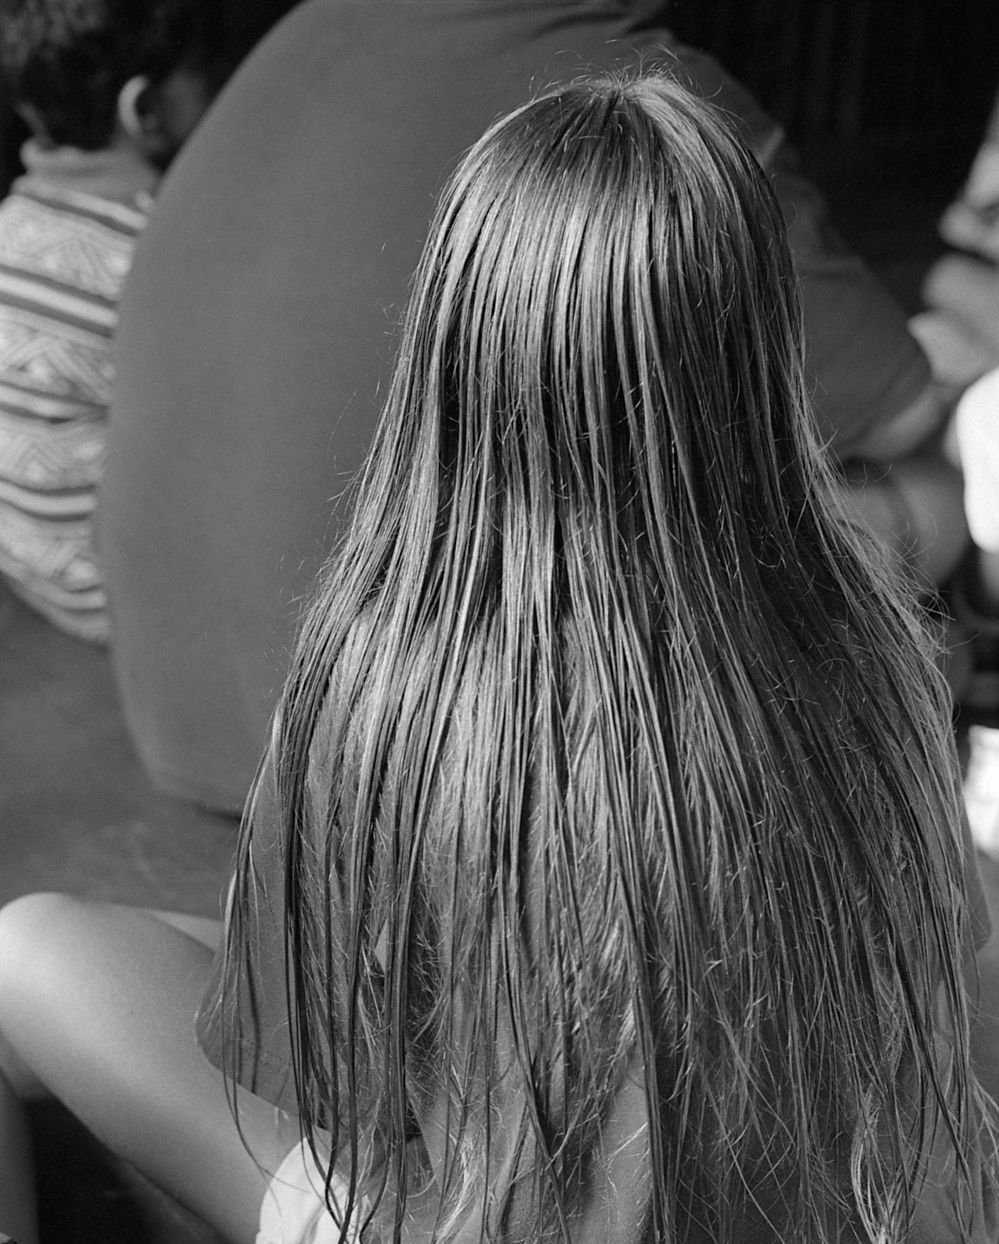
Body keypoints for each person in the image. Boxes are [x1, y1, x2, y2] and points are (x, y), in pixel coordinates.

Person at [0, 71, 995, 1244]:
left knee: (37, 952)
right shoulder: (874, 633)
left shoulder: (390, 688)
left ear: (455, 341)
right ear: (755, 342)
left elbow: (325, 1072)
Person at [97, 0, 967, 815]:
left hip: (197, 715)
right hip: (446, 778)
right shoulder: (646, 102)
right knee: (941, 489)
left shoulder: (300, 39)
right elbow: (897, 411)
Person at [0, 0, 221, 642]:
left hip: (27, 564)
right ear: (144, 110)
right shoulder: (156, 252)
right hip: (111, 600)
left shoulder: (13, 224)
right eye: (209, 76)